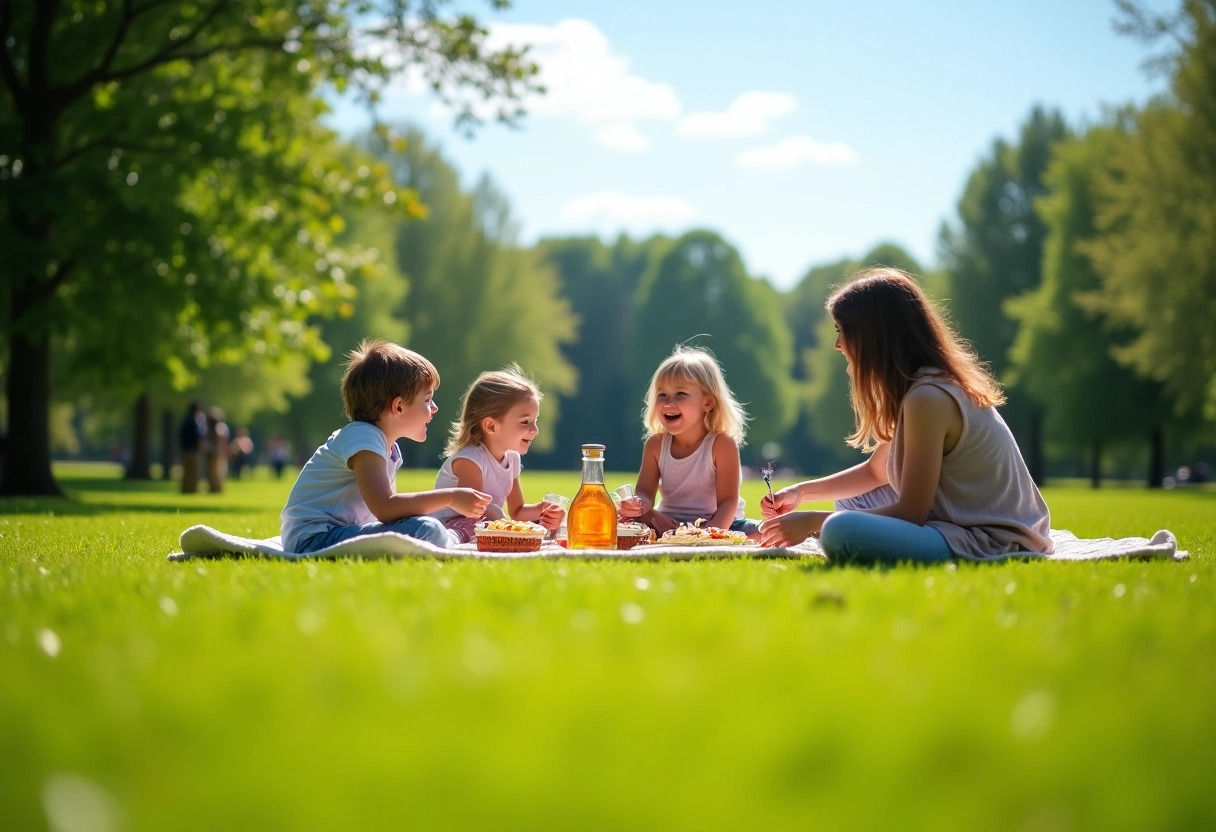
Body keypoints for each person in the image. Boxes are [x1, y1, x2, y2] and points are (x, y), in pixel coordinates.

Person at [759, 268, 1052, 562]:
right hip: (959, 525)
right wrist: (802, 493)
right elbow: (877, 472)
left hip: (991, 539)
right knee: (851, 502)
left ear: (873, 336)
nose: (838, 345)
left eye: (841, 331)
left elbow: (911, 512)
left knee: (839, 528)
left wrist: (812, 523)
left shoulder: (928, 399)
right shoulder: (918, 390)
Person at [281, 338, 491, 553]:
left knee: (421, 525)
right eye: (427, 400)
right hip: (315, 539)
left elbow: (389, 511)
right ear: (398, 406)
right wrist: (452, 496)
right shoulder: (363, 436)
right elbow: (385, 507)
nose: (435, 408)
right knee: (426, 529)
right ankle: (454, 536)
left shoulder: (383, 445)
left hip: (336, 532)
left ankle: (449, 534)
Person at [618, 344, 761, 538]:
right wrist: (639, 505)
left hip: (719, 522)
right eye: (662, 395)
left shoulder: (722, 444)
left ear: (708, 403)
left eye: (680, 394)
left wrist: (707, 535)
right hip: (667, 522)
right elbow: (644, 492)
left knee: (760, 532)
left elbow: (728, 503)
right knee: (622, 522)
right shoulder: (656, 444)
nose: (669, 402)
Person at [430, 364, 565, 543]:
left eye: (535, 421)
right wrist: (505, 522)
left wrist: (544, 509)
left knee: (543, 530)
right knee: (477, 526)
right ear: (491, 426)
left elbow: (517, 511)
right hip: (453, 526)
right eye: (525, 422)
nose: (535, 430)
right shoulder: (471, 460)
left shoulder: (512, 458)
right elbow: (473, 511)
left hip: (485, 524)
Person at [178, 400, 208, 494]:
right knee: (193, 470)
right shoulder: (194, 422)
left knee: (187, 471)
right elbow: (197, 436)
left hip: (186, 449)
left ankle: (187, 488)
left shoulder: (187, 420)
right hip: (192, 450)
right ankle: (192, 489)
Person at [205, 407, 230, 493]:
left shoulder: (220, 427)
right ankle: (214, 488)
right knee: (214, 471)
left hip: (218, 452)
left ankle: (217, 488)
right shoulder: (211, 427)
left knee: (218, 471)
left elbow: (223, 441)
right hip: (214, 452)